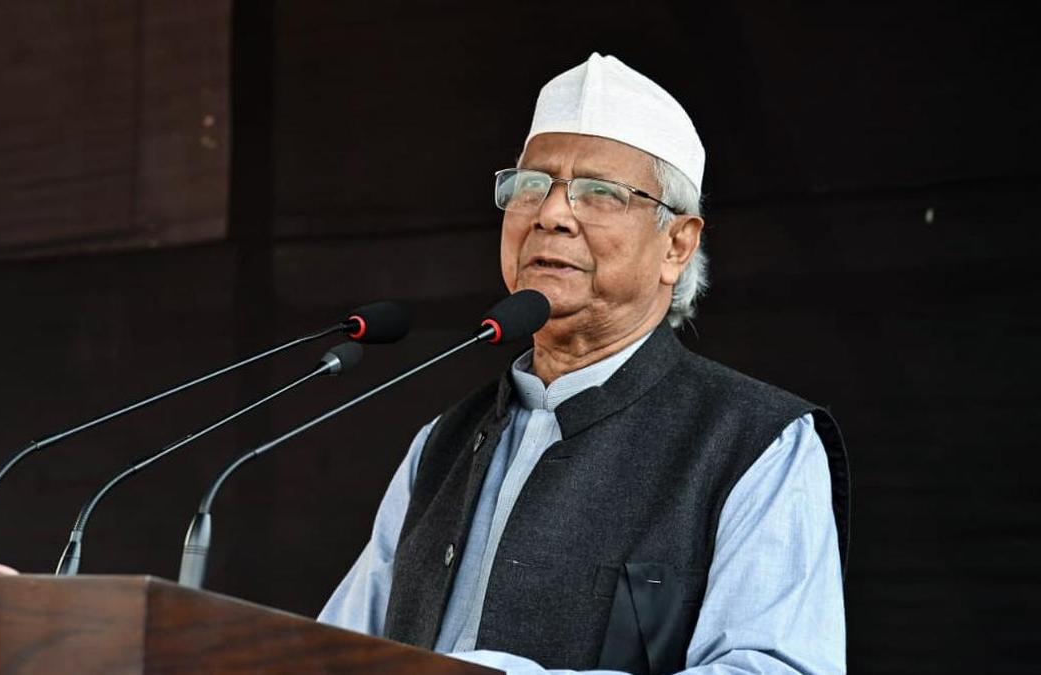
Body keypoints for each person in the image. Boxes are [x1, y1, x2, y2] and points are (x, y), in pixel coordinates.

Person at [318, 53, 850, 675]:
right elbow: (331, 654)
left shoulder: (757, 442)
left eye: (600, 193)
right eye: (530, 186)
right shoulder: (442, 444)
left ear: (676, 245)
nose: (550, 214)